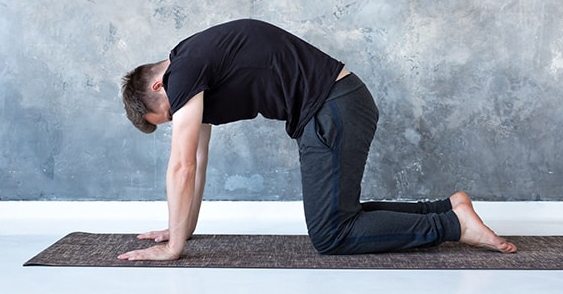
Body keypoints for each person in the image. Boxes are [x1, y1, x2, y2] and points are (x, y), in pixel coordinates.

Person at [118, 19, 517, 261]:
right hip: (335, 107)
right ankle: (449, 208)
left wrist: (173, 251)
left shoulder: (183, 73)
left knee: (332, 234)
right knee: (341, 215)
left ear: (158, 84)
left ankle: (453, 225)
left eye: (168, 115)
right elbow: (198, 161)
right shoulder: (192, 61)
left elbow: (181, 165)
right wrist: (179, 228)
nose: (177, 122)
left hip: (333, 110)